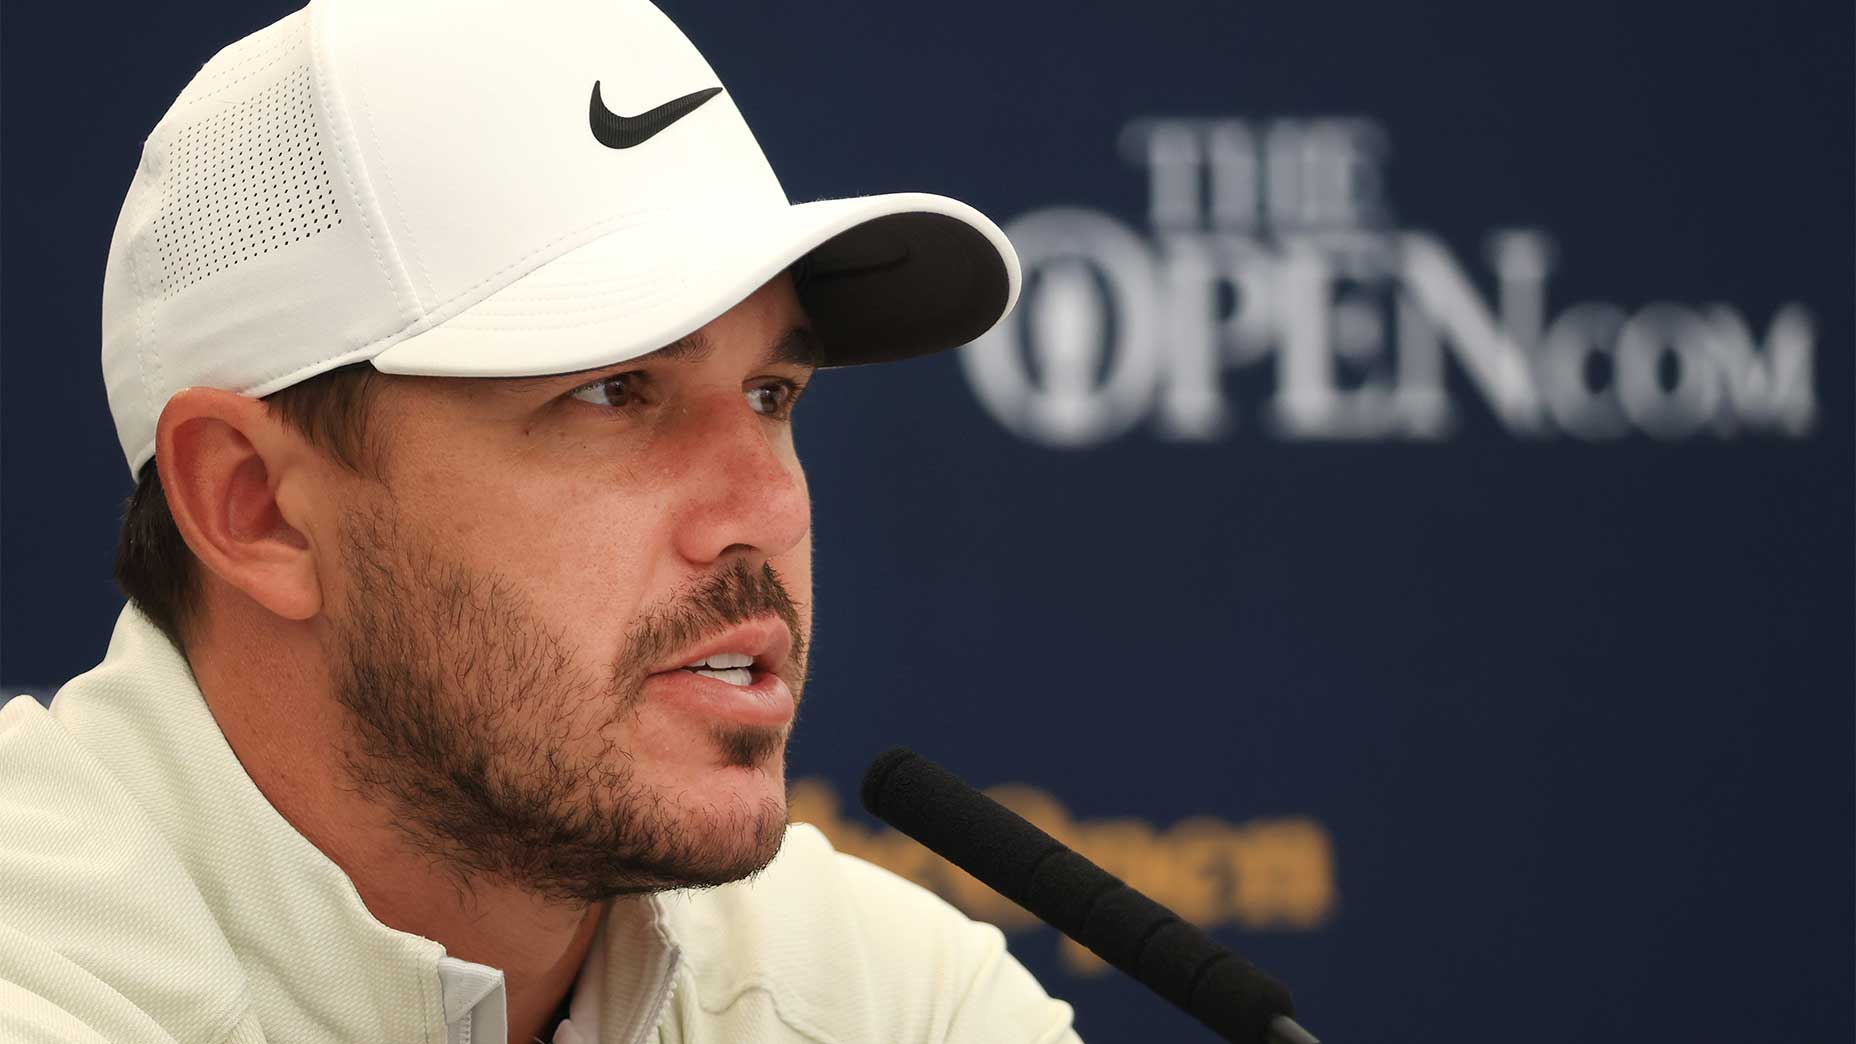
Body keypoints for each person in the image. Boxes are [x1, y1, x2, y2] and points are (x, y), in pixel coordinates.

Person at [0, 1, 1081, 1042]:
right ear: (257, 509)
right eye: (613, 393)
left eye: (770, 396)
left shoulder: (887, 1001)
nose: (767, 508)